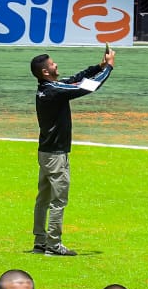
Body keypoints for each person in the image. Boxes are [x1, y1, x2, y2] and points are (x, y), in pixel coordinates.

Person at [31, 46, 114, 256]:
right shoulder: (53, 91)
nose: (55, 64)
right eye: (52, 64)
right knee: (58, 201)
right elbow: (87, 88)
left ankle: (40, 241)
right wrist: (109, 68)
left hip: (46, 153)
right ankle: (53, 244)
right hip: (56, 156)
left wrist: (99, 66)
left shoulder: (48, 88)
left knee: (43, 199)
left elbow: (76, 79)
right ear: (45, 72)